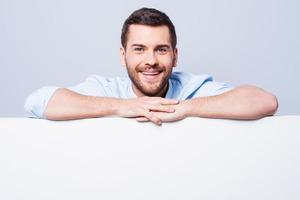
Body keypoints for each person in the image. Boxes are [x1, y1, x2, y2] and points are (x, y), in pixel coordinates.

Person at [24, 7, 278, 125]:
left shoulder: (192, 88)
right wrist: (123, 107)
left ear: (175, 56)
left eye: (161, 49)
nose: (151, 61)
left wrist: (186, 108)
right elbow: (39, 101)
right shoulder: (106, 89)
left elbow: (265, 101)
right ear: (123, 56)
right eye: (139, 49)